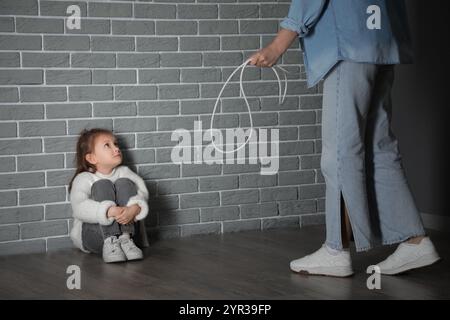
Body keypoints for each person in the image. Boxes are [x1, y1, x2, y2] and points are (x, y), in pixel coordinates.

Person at [249, 0, 440, 277]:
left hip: (349, 43)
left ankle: (335, 250)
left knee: (340, 152)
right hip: (383, 41)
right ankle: (415, 241)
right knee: (378, 146)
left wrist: (278, 44)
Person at [68, 128, 150, 263]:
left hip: (129, 235)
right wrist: (108, 211)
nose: (116, 149)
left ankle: (125, 239)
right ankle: (110, 241)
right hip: (95, 235)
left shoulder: (124, 172)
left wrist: (134, 208)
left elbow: (142, 193)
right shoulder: (84, 178)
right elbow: (79, 207)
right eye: (107, 145)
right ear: (91, 158)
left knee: (124, 182)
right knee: (102, 185)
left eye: (116, 144)